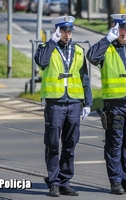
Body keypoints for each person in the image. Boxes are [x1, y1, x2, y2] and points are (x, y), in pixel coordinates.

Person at [86, 14, 126, 195]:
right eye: (121, 28)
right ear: (115, 28)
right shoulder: (108, 48)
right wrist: (107, 39)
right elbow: (91, 57)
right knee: (114, 144)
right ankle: (116, 182)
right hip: (116, 105)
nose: (124, 32)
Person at [34, 16, 92, 197]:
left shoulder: (78, 51)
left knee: (70, 144)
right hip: (55, 102)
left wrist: (87, 102)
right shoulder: (45, 48)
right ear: (57, 31)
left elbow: (84, 78)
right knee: (52, 144)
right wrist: (51, 42)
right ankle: (53, 182)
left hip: (74, 102)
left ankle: (65, 181)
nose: (67, 35)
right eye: (64, 31)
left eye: (69, 31)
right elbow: (41, 63)